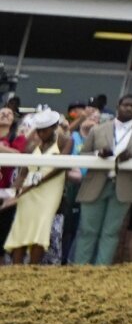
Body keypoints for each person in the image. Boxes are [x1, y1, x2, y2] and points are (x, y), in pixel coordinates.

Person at [72, 94, 132, 266]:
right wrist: (99, 154)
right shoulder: (98, 129)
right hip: (96, 183)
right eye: (126, 105)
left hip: (124, 185)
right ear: (118, 106)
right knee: (87, 230)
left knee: (111, 232)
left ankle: (101, 270)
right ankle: (79, 268)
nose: (129, 108)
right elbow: (83, 154)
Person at [3, 108, 71, 263]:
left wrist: (36, 182)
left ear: (54, 127)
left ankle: (33, 269)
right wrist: (12, 192)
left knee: (42, 227)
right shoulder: (33, 143)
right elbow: (23, 173)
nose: (40, 133)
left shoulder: (65, 140)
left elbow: (60, 167)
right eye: (38, 130)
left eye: (44, 130)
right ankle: (16, 269)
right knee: (21, 228)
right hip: (28, 192)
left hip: (49, 191)